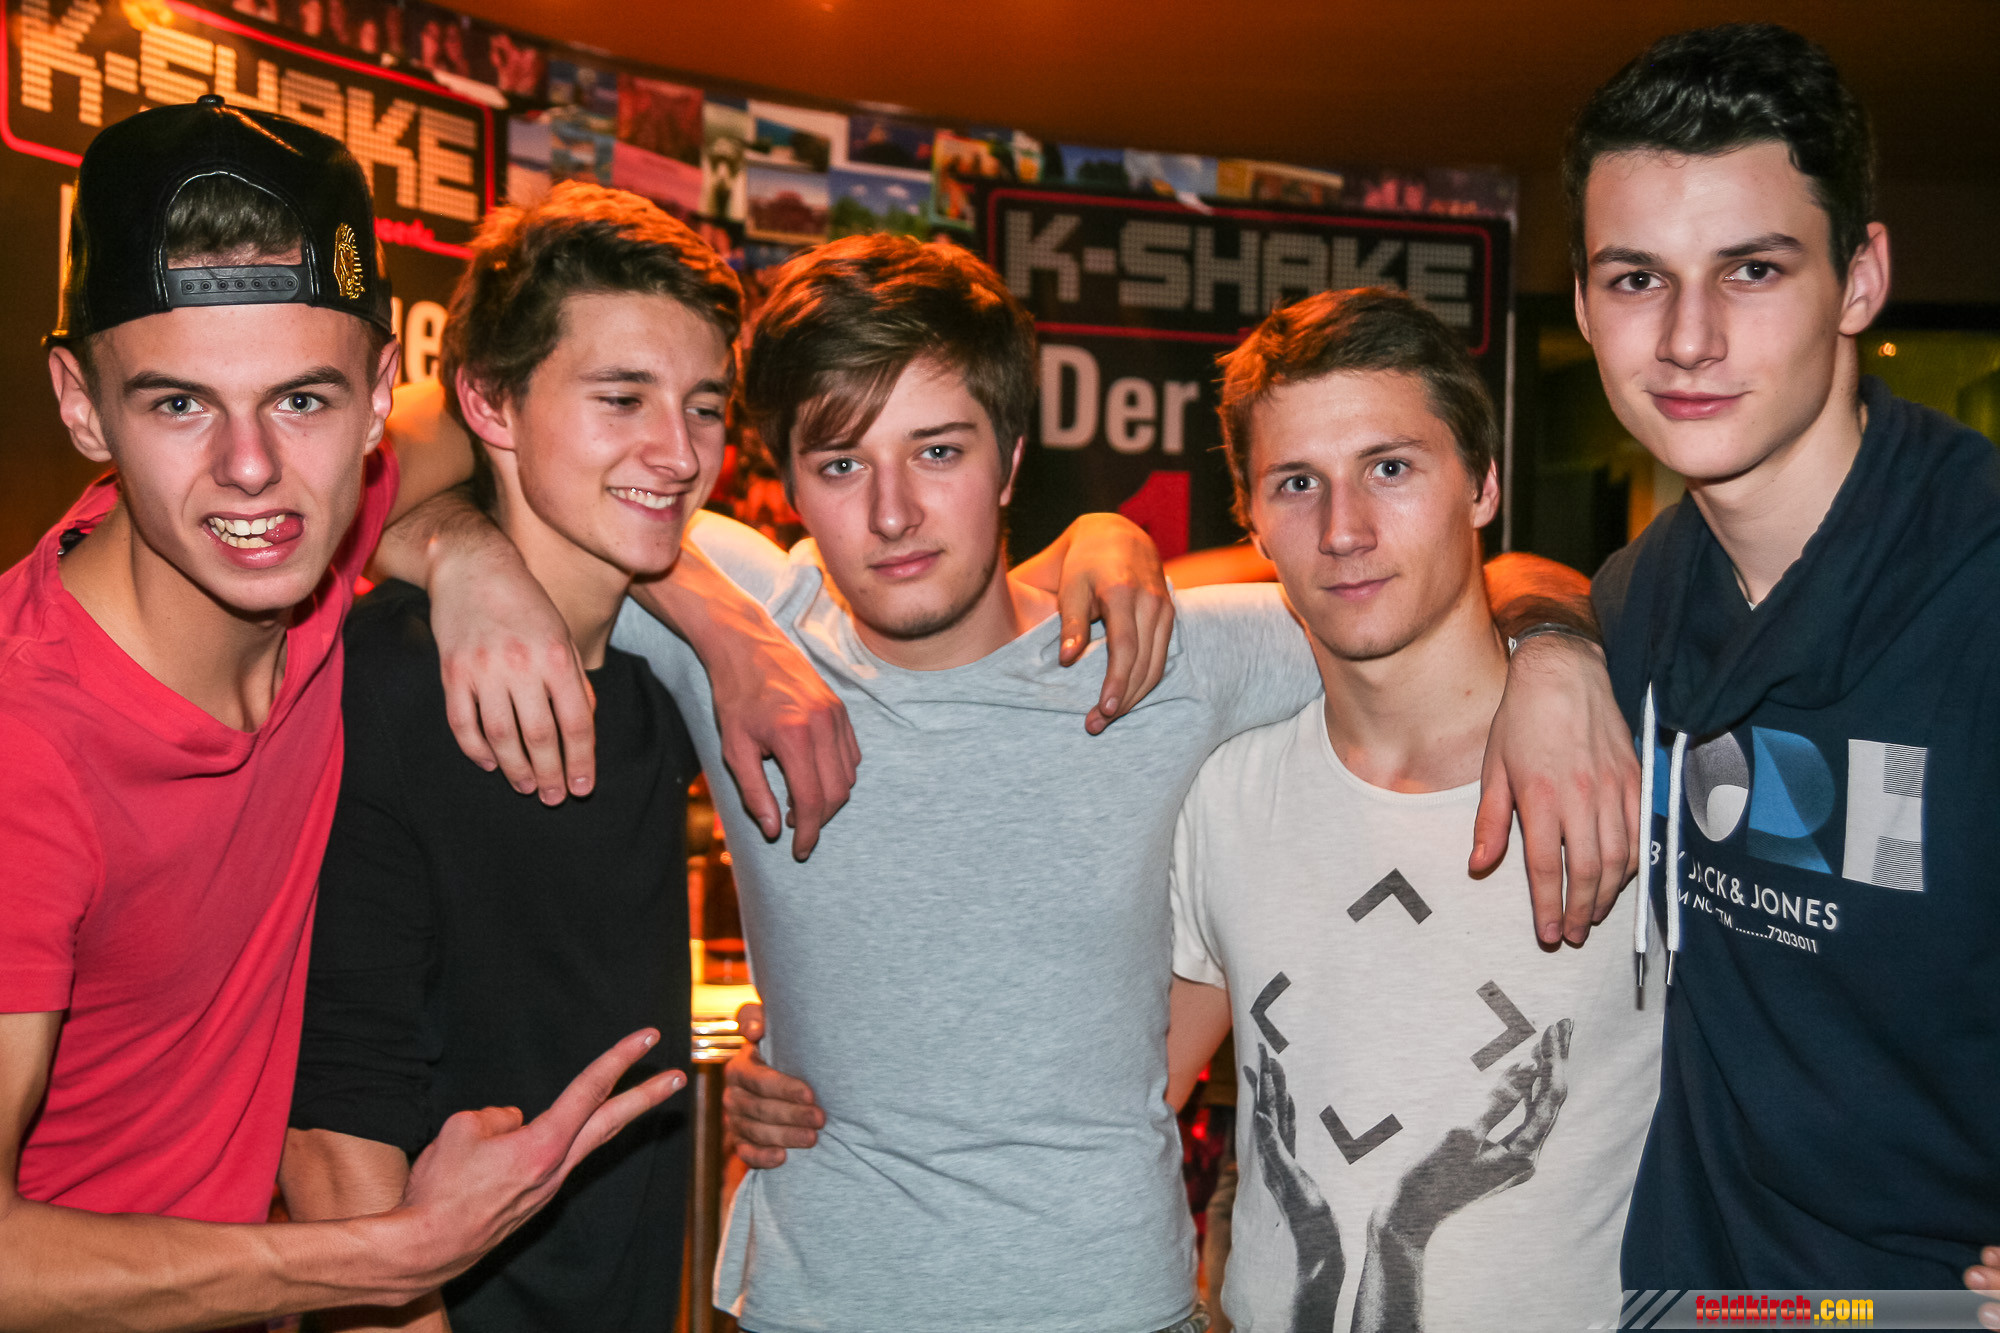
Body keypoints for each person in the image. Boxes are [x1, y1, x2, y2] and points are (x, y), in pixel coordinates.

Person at [653, 233, 1636, 1333]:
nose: (892, 512)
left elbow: (1465, 584)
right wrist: (713, 627)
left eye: (937, 451)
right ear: (784, 480)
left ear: (1009, 459)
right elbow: (550, 484)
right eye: (841, 464)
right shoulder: (755, 628)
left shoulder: (1172, 658)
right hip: (815, 1302)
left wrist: (1558, 653)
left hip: (1114, 1304)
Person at [0, 102, 843, 1332]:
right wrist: (382, 1256)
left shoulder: (307, 562)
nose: (251, 467)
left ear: (376, 394)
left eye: (302, 400)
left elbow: (576, 456)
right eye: (177, 405)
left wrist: (712, 624)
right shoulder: (29, 748)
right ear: (81, 405)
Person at [279, 184, 777, 1332]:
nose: (678, 452)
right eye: (621, 398)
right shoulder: (382, 687)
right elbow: (333, 1141)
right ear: (490, 403)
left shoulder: (656, 692)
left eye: (703, 406)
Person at [1565, 23, 2000, 1294]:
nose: (1686, 339)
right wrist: (1548, 644)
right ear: (1584, 305)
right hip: (1694, 1294)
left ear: (1858, 280)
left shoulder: (1976, 587)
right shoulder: (1638, 600)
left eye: (1750, 270)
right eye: (1635, 279)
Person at [1162, 287, 1663, 1332]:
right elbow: (1115, 1098)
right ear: (1250, 517)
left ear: (1482, 483)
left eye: (1390, 468)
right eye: (1297, 482)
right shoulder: (1224, 796)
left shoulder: (1631, 772)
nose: (1343, 529)